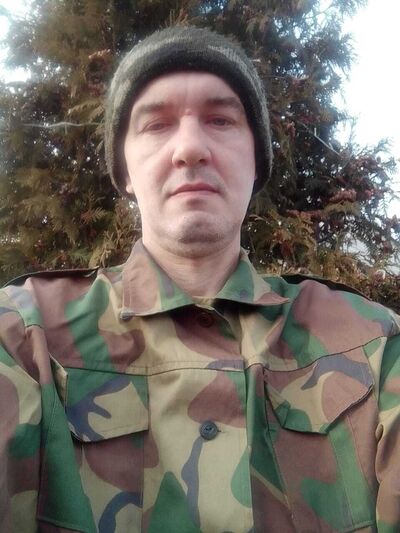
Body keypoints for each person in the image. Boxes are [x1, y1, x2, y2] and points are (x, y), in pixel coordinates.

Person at [0, 25, 399, 533]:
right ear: (125, 171)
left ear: (256, 161)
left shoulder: (373, 342)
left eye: (220, 120)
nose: (189, 147)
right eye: (156, 124)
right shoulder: (22, 336)